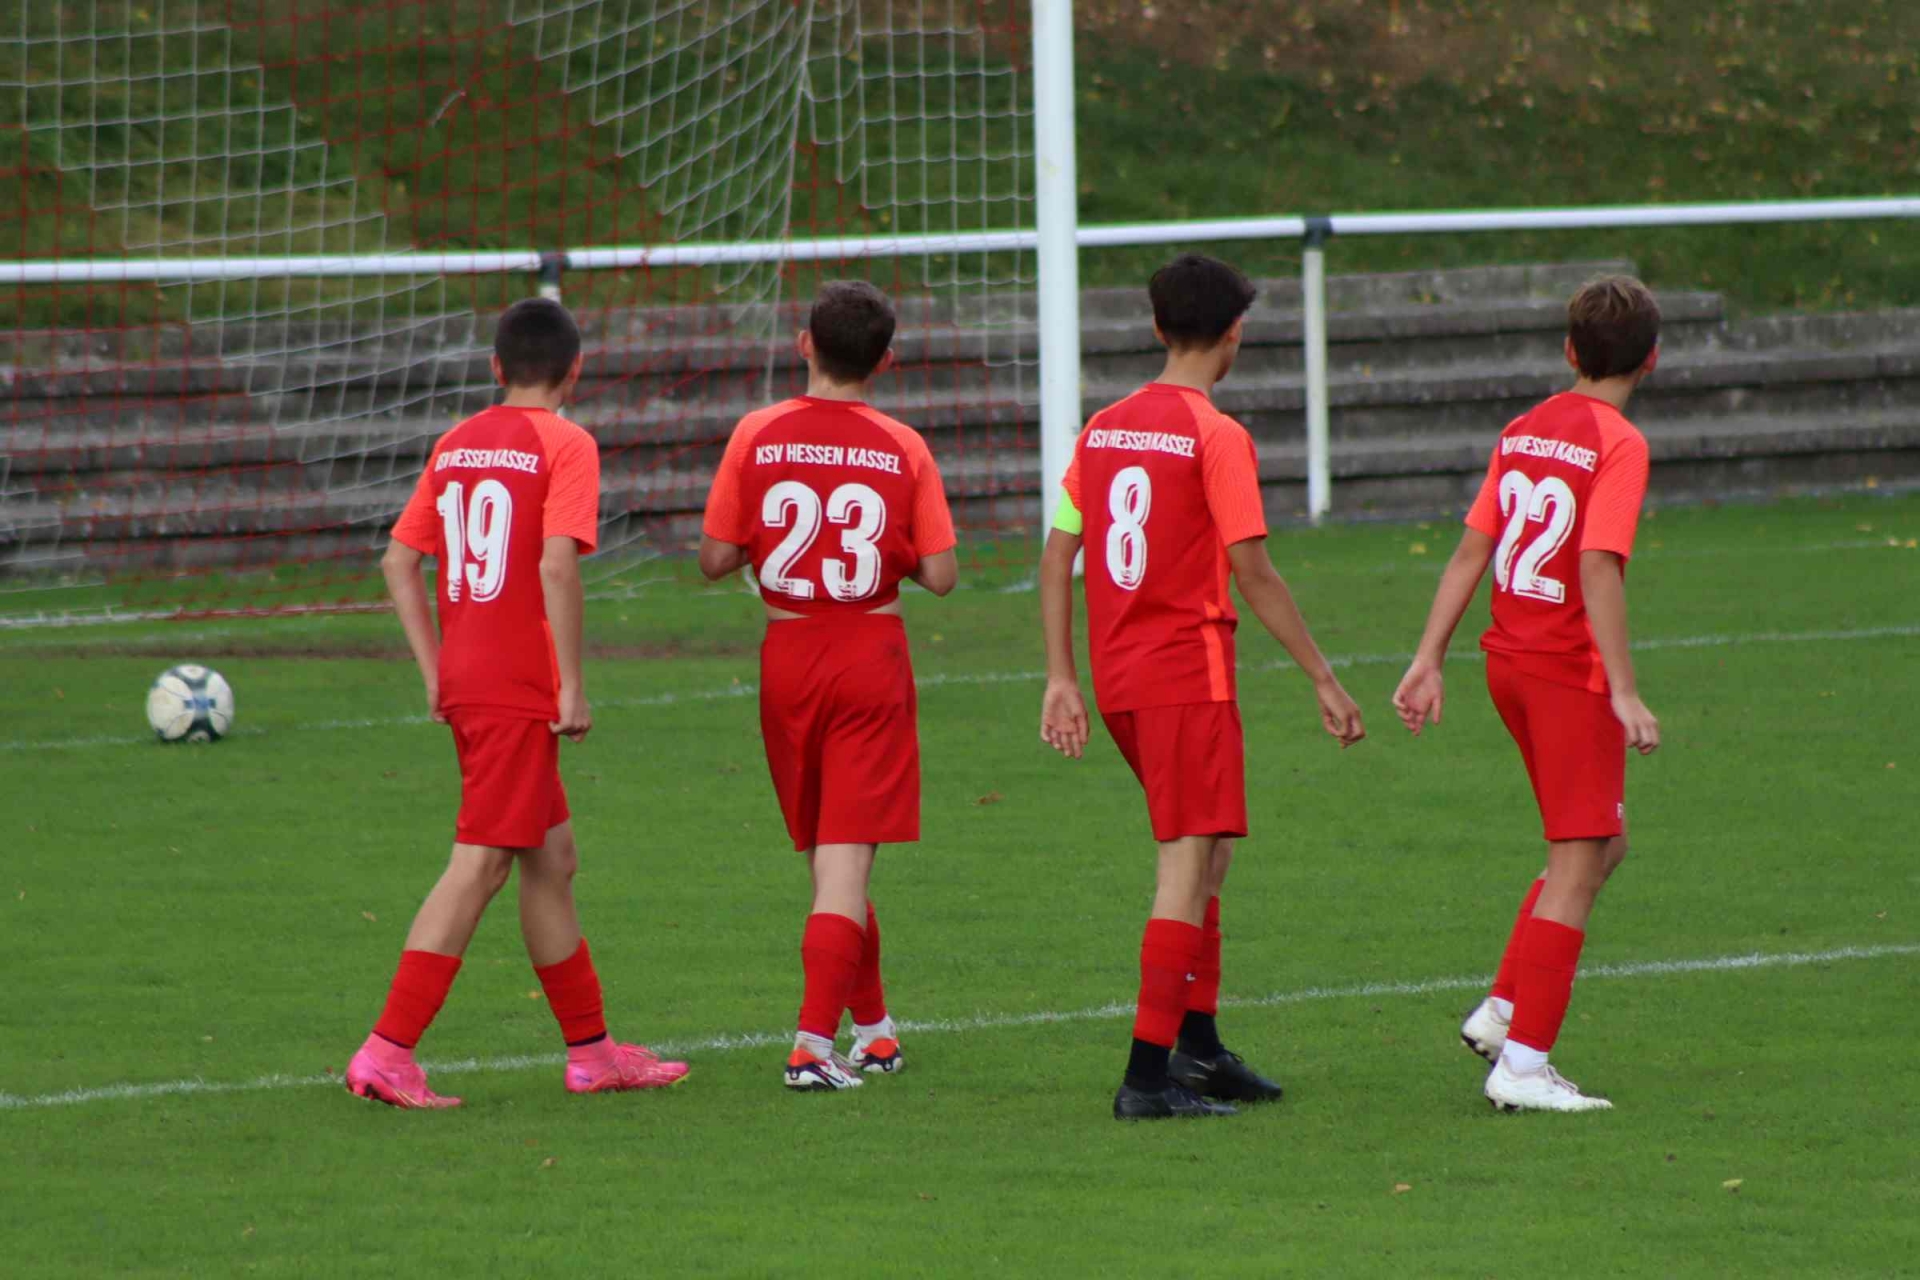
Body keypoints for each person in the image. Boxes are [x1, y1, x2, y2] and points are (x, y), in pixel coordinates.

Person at [1038, 253, 1367, 1122]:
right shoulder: (1215, 436)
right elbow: (1252, 571)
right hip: (1186, 676)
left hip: (1122, 678)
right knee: (1186, 865)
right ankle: (1148, 1078)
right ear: (1234, 336)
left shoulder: (1104, 428)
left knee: (1210, 852)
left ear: (1157, 327)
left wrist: (1062, 677)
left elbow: (1058, 554)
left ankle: (1199, 1047)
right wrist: (1324, 678)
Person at [345, 297, 689, 1108]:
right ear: (577, 371)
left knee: (551, 859)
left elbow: (398, 562)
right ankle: (387, 1052)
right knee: (482, 862)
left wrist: (435, 669)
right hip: (516, 685)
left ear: (496, 368)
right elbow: (556, 565)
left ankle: (592, 1053)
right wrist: (571, 683)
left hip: (471, 674)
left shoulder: (457, 440)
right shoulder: (567, 443)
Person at [1391, 275, 1662, 1114]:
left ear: (1570, 350)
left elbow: (1472, 550)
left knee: (1601, 845)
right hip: (1565, 672)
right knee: (1578, 862)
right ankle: (1524, 1066)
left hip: (1508, 663)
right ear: (1651, 360)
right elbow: (1597, 563)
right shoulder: (1620, 444)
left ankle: (1505, 1010)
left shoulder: (1525, 428)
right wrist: (1624, 690)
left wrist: (1428, 657)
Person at [698, 280, 959, 1092]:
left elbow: (714, 558)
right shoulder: (902, 445)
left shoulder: (756, 431)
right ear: (885, 361)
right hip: (867, 653)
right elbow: (943, 575)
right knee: (844, 865)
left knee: (831, 860)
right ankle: (812, 1046)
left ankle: (873, 1031)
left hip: (787, 656)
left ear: (804, 343)